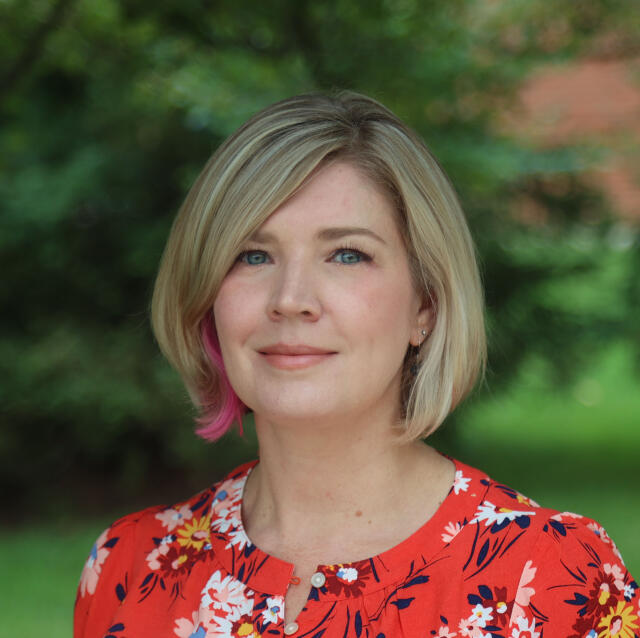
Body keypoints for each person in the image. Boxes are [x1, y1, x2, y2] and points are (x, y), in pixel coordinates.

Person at [74, 92, 638, 638]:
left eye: (347, 254)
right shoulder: (130, 568)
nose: (290, 298)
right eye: (253, 255)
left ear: (426, 304)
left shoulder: (553, 580)